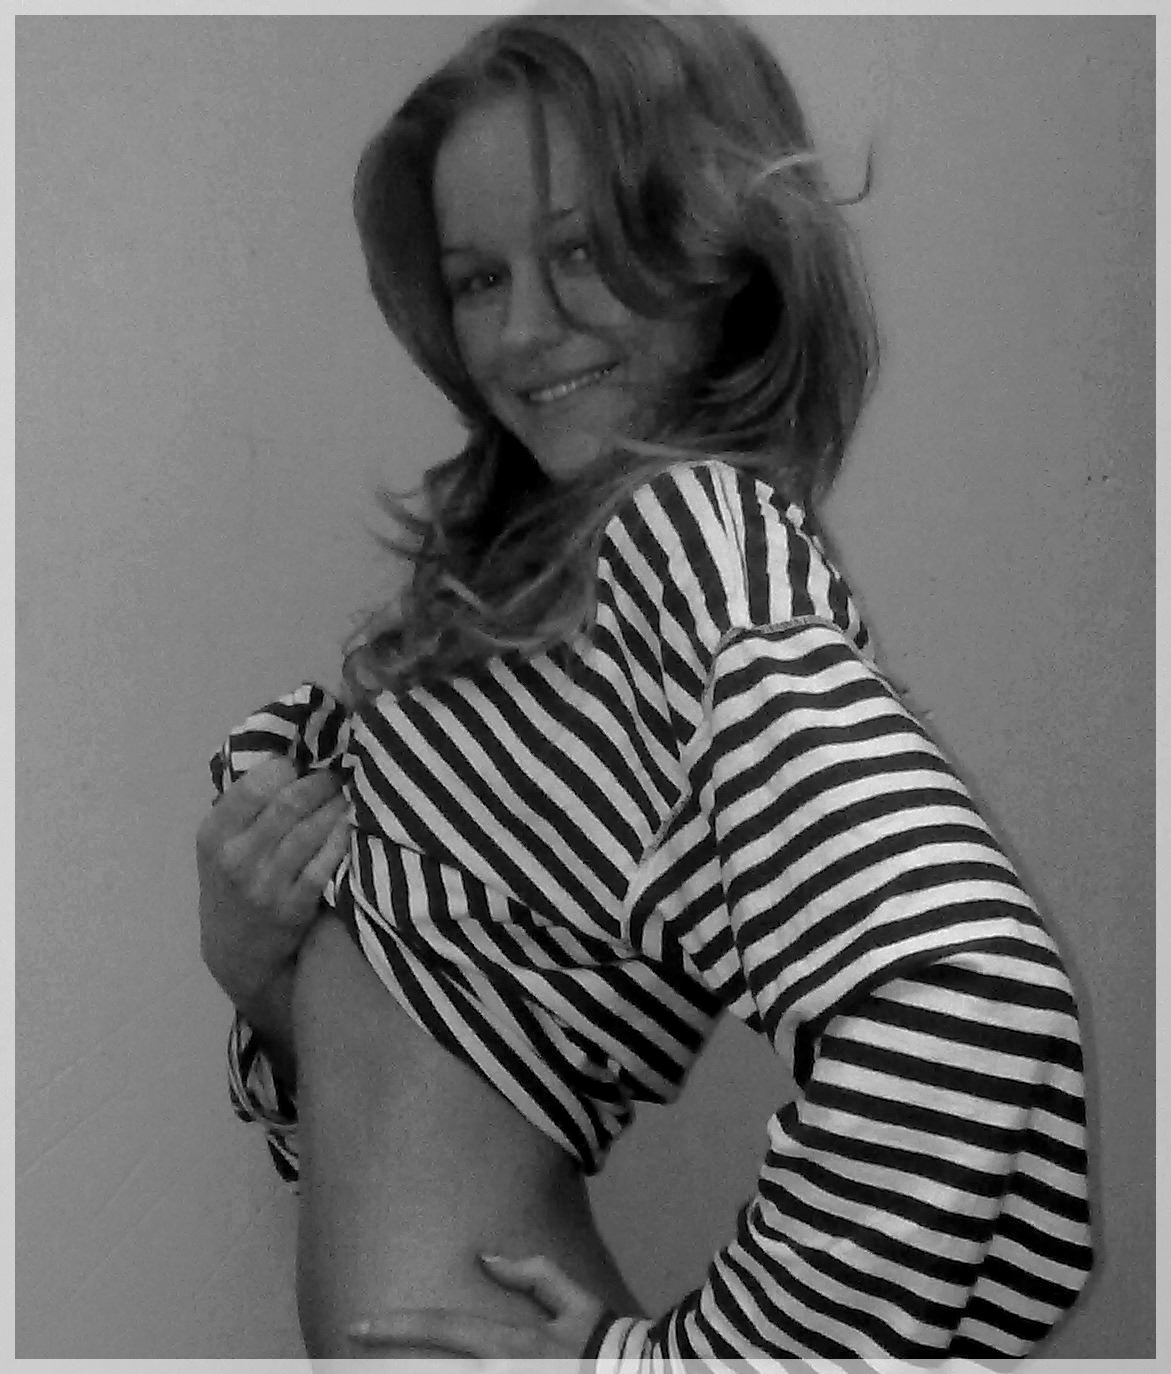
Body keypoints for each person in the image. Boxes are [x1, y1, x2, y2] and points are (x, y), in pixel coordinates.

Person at [196, 12, 1094, 1364]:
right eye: (478, 277)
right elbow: (423, 1065)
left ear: (717, 252)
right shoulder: (528, 587)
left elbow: (973, 1006)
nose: (525, 330)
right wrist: (259, 973)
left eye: (580, 252)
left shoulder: (693, 545)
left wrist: (687, 1361)